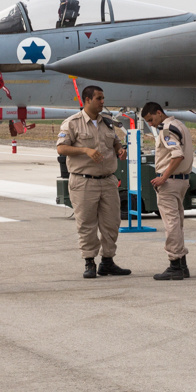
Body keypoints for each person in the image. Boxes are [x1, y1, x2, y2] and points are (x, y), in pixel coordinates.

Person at [56, 85, 128, 279]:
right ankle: (89, 262)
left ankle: (107, 261)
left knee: (112, 222)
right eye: (99, 98)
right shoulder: (72, 123)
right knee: (87, 223)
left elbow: (114, 141)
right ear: (87, 100)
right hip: (83, 181)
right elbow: (61, 148)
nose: (103, 102)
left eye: (103, 98)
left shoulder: (108, 123)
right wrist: (85, 150)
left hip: (108, 181)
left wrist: (120, 150)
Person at [141, 103, 194, 281]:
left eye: (152, 119)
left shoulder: (166, 130)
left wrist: (163, 177)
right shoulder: (180, 125)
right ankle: (182, 265)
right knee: (177, 224)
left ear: (159, 112)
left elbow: (177, 155)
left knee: (171, 224)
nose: (152, 124)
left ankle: (175, 264)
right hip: (182, 180)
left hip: (170, 182)